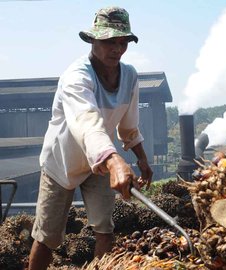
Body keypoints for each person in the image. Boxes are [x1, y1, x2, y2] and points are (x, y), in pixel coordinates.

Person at [28, 7, 153, 269]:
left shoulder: (129, 76)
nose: (117, 49)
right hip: (63, 163)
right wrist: (115, 161)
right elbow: (87, 122)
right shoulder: (76, 76)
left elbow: (129, 126)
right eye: (109, 41)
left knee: (105, 230)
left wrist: (141, 159)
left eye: (122, 42)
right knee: (47, 237)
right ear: (92, 40)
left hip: (99, 164)